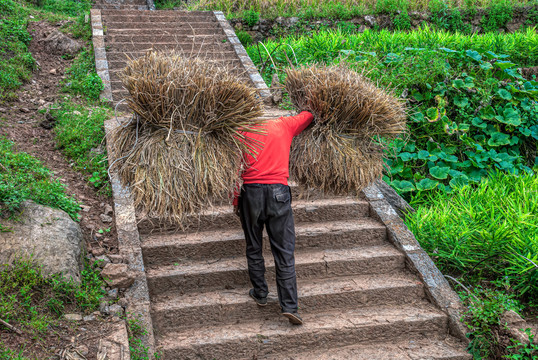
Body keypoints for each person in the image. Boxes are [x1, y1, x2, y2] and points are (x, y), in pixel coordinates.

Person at [233, 110, 314, 325]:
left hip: (250, 194)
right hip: (279, 192)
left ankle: (260, 293)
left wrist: (235, 201)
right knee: (284, 251)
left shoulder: (242, 130)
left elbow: (235, 167)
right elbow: (309, 115)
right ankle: (290, 306)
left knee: (253, 246)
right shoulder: (284, 125)